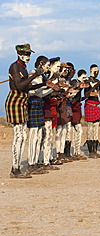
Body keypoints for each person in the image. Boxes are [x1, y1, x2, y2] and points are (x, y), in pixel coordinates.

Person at [6, 44, 43, 178]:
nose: (28, 56)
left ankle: (16, 168)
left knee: (23, 136)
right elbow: (20, 85)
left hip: (23, 101)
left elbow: (28, 86)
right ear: (19, 54)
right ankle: (15, 169)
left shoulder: (23, 68)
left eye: (29, 54)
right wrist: (35, 76)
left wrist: (44, 83)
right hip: (15, 101)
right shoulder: (15, 67)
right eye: (26, 54)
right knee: (18, 137)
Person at [27, 55, 59, 174]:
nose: (47, 68)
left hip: (39, 102)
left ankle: (35, 163)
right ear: (40, 64)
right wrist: (46, 85)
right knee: (34, 136)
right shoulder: (33, 74)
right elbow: (32, 90)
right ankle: (31, 164)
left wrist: (53, 87)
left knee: (39, 136)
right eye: (46, 66)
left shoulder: (40, 77)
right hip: (33, 103)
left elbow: (42, 93)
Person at [84, 64, 100, 158]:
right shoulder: (87, 81)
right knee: (90, 130)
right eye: (95, 71)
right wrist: (96, 85)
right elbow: (86, 94)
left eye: (97, 71)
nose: (96, 73)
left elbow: (98, 94)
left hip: (96, 105)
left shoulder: (97, 81)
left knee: (96, 130)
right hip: (90, 105)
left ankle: (95, 151)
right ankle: (90, 152)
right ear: (91, 71)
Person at [69, 69, 89, 160]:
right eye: (83, 77)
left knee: (78, 131)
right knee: (73, 130)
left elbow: (79, 98)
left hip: (77, 107)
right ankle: (71, 152)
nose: (84, 80)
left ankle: (76, 151)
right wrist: (79, 88)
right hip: (71, 107)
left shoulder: (80, 84)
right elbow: (71, 95)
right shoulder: (74, 82)